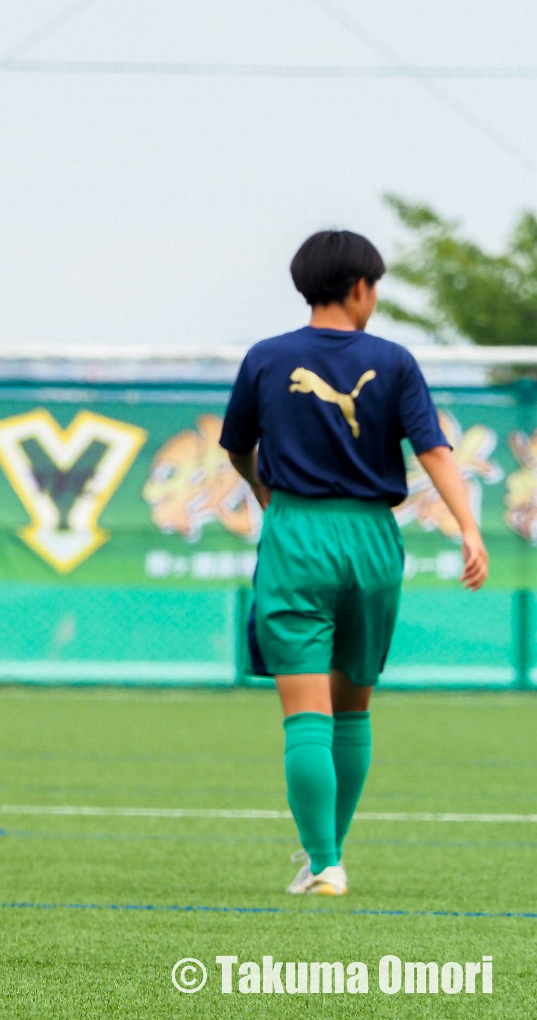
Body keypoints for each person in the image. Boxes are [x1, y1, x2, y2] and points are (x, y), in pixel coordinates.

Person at [221, 230, 488, 896]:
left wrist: (261, 489)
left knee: (304, 711)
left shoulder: (266, 357)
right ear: (362, 288)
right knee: (353, 708)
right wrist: (469, 528)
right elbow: (434, 451)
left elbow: (236, 447)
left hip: (298, 535)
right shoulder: (393, 361)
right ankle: (326, 854)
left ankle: (324, 860)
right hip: (372, 538)